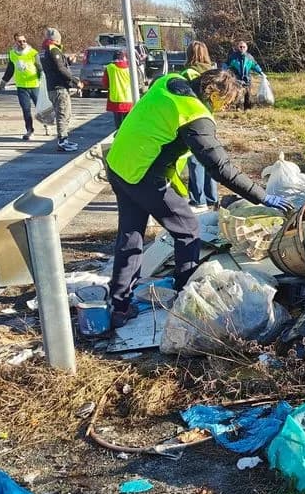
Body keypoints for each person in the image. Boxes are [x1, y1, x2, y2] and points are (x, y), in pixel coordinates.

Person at [105, 69, 293, 327]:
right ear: (212, 93)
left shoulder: (171, 82)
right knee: (188, 231)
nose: (225, 108)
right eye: (225, 102)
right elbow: (221, 168)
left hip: (119, 164)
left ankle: (119, 306)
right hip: (143, 175)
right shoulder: (195, 116)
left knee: (131, 236)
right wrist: (263, 196)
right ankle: (188, 302)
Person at [181, 41, 219, 208]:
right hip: (209, 119)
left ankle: (198, 200)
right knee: (210, 158)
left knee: (195, 161)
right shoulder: (213, 73)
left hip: (192, 120)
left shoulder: (188, 73)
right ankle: (212, 198)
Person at [39, 27, 82, 152]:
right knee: (63, 114)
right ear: (57, 39)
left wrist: (68, 61)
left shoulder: (44, 50)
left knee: (63, 114)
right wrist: (76, 81)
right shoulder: (54, 50)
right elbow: (60, 69)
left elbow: (54, 67)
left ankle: (64, 139)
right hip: (59, 88)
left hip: (51, 87)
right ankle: (62, 141)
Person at [0, 33, 43, 140]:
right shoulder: (13, 54)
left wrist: (43, 79)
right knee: (26, 109)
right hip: (21, 87)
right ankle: (29, 130)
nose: (22, 43)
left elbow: (40, 68)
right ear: (15, 42)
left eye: (24, 41)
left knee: (41, 108)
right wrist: (3, 82)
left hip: (35, 85)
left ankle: (47, 125)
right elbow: (10, 70)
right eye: (20, 41)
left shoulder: (33, 53)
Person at [224, 40, 262, 110]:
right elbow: (226, 64)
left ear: (246, 48)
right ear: (238, 47)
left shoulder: (249, 57)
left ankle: (247, 108)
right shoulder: (233, 57)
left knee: (248, 94)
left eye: (244, 47)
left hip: (247, 78)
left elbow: (255, 65)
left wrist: (261, 72)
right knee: (238, 94)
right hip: (236, 78)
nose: (242, 48)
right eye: (240, 47)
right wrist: (223, 71)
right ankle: (238, 107)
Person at [101, 50, 133, 130]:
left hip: (115, 100)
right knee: (128, 124)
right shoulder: (130, 68)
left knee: (118, 125)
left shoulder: (109, 68)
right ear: (124, 58)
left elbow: (105, 83)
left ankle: (118, 138)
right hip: (129, 99)